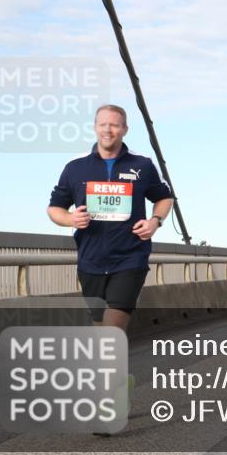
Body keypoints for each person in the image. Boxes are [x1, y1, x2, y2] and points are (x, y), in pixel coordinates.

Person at [48, 104, 174, 331]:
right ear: (95, 127)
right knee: (100, 329)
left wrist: (155, 221)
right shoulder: (75, 167)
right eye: (103, 124)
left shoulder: (142, 164)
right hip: (90, 260)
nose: (108, 130)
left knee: (111, 329)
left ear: (125, 129)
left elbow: (165, 198)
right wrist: (71, 219)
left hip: (130, 258)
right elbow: (54, 209)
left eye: (115, 125)